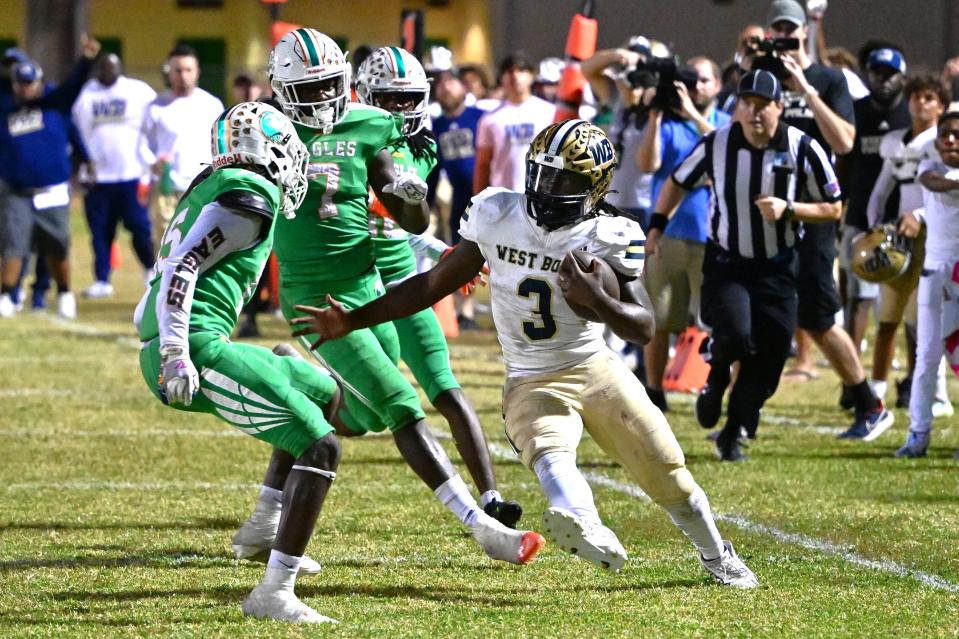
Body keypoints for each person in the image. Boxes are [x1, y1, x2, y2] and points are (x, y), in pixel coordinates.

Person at [293, 119, 759, 588]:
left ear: (593, 187)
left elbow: (642, 326)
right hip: (530, 377)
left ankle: (716, 553)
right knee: (550, 453)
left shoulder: (608, 234)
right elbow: (431, 284)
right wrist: (352, 320)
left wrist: (598, 300)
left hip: (593, 368)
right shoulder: (499, 214)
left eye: (563, 179)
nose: (547, 186)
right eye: (541, 172)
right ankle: (582, 521)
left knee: (669, 474)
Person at [231, 29, 544, 571]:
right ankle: (482, 526)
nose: (321, 97)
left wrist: (409, 196)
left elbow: (409, 219)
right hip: (313, 299)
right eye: (309, 87)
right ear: (281, 90)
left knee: (352, 411)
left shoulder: (370, 124)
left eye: (330, 84)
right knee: (401, 403)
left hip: (369, 287)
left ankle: (267, 503)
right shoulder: (263, 127)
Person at [134, 101, 339, 623]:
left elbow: (161, 279)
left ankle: (265, 523)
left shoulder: (215, 183)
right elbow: (182, 267)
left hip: (191, 340)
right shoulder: (249, 199)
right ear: (272, 150)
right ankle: (274, 592)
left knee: (323, 391)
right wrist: (177, 350)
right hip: (194, 348)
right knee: (320, 443)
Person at [354, 45, 522, 525]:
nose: (403, 108)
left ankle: (490, 498)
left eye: (410, 98)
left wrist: (439, 253)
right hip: (357, 288)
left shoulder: (422, 148)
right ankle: (276, 493)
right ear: (367, 96)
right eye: (391, 98)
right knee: (355, 416)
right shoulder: (347, 143)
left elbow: (402, 228)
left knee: (445, 388)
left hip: (403, 283)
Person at [651, 70, 842, 461]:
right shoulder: (716, 143)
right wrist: (656, 227)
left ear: (779, 106)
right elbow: (676, 183)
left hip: (778, 266)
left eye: (762, 104)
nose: (753, 112)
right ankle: (716, 373)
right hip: (728, 263)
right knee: (736, 334)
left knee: (772, 357)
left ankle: (734, 428)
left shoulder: (802, 146)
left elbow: (834, 206)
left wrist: (790, 208)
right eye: (746, 103)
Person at [764, 0, 893, 439]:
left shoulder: (828, 78)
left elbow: (844, 142)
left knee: (819, 319)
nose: (784, 38)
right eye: (776, 31)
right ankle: (739, 415)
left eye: (790, 31)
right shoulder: (763, 81)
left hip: (814, 215)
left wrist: (805, 90)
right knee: (754, 308)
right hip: (766, 213)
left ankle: (867, 402)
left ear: (803, 33)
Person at [638, 56, 729, 411]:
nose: (696, 87)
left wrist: (692, 112)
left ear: (718, 85)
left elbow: (724, 147)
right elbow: (647, 164)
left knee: (714, 320)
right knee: (658, 319)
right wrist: (655, 116)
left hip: (711, 235)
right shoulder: (669, 124)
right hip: (670, 234)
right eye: (690, 81)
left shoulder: (722, 122)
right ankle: (654, 390)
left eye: (704, 80)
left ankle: (714, 386)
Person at [864, 76, 949, 425]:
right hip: (901, 240)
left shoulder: (945, 142)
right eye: (915, 97)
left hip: (936, 239)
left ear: (941, 106)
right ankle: (876, 393)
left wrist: (919, 215)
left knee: (926, 321)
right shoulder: (896, 141)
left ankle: (936, 394)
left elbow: (947, 196)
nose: (920, 103)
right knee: (887, 319)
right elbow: (881, 189)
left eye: (929, 98)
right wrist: (873, 226)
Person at [0, 37, 101, 320]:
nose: (25, 89)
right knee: (13, 244)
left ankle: (65, 292)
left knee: (57, 245)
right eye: (20, 84)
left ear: (39, 82)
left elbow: (74, 86)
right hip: (17, 190)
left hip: (52, 189)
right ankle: (7, 295)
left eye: (30, 84)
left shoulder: (55, 102)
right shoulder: (6, 107)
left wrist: (86, 60)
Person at [838, 47, 910, 391]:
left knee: (908, 303)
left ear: (902, 76)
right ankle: (855, 382)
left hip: (906, 218)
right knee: (858, 294)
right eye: (876, 72)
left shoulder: (910, 114)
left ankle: (911, 377)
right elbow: (843, 161)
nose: (882, 79)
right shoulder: (856, 111)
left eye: (889, 73)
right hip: (861, 216)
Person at [895, 112, 959, 457]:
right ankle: (918, 435)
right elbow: (935, 183)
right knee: (926, 358)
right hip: (937, 274)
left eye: (957, 135)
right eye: (945, 135)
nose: (951, 140)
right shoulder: (929, 168)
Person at [72, 53, 157, 298]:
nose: (108, 71)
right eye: (104, 67)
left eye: (113, 67)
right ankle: (102, 280)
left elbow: (155, 119)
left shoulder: (137, 91)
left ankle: (151, 270)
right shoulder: (87, 94)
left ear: (121, 68)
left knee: (139, 226)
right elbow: (75, 129)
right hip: (97, 178)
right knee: (100, 232)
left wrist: (149, 159)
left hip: (130, 174)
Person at [139, 44, 224, 252]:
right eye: (178, 70)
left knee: (201, 248)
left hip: (203, 188)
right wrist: (153, 163)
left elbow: (222, 144)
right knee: (167, 248)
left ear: (197, 72)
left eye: (188, 70)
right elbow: (142, 145)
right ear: (170, 72)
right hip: (167, 189)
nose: (183, 76)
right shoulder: (156, 106)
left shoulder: (212, 105)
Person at [474, 52, 556, 193]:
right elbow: (483, 164)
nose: (515, 76)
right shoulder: (490, 118)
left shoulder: (550, 112)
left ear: (532, 76)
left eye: (521, 70)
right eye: (509, 71)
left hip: (542, 196)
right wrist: (478, 201)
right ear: (501, 78)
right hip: (503, 199)